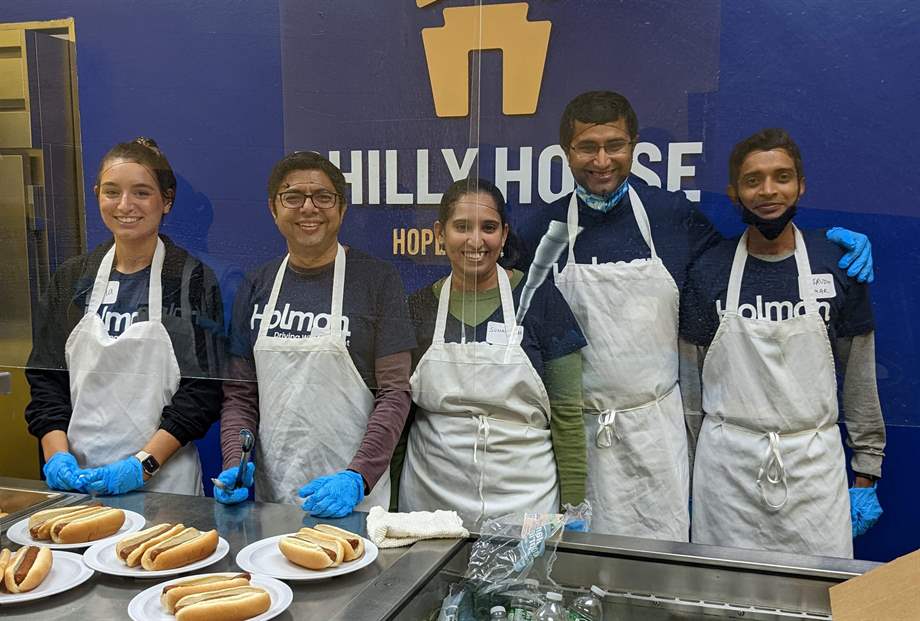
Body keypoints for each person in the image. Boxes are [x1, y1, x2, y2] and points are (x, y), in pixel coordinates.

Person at [515, 91, 876, 541]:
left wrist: (827, 247)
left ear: (634, 146)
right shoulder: (537, 233)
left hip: (658, 435)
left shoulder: (674, 217)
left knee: (660, 575)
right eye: (588, 147)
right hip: (574, 437)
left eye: (615, 145)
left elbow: (756, 254)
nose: (602, 160)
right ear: (566, 152)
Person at [679, 129, 885, 558]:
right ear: (734, 192)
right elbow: (691, 394)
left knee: (814, 599)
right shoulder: (709, 270)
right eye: (753, 180)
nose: (768, 191)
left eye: (782, 177)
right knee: (723, 600)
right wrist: (689, 478)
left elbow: (861, 378)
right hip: (726, 473)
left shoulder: (838, 263)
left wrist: (866, 472)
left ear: (801, 185)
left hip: (814, 470)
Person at [216, 151, 416, 517]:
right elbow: (239, 395)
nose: (309, 208)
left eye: (323, 197)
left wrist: (358, 476)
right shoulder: (257, 285)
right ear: (273, 209)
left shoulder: (377, 281)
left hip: (356, 499)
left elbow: (395, 392)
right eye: (293, 197)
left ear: (342, 209)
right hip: (270, 496)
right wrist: (235, 460)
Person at [25, 137, 224, 496]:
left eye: (142, 193)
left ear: (166, 201)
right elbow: (46, 379)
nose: (125, 205)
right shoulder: (74, 279)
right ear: (97, 193)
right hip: (79, 482)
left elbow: (202, 391)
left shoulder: (189, 280)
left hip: (166, 485)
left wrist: (143, 465)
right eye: (112, 191)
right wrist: (56, 457)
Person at [395, 178, 587, 526]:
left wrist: (573, 506)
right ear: (440, 232)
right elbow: (399, 420)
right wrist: (389, 505)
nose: (475, 240)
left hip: (525, 501)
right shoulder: (417, 308)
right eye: (461, 227)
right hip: (430, 502)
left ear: (504, 233)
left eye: (488, 227)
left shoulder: (540, 299)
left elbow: (568, 416)